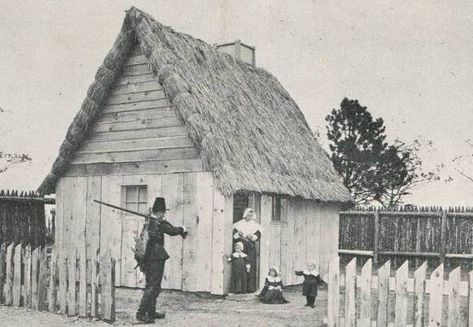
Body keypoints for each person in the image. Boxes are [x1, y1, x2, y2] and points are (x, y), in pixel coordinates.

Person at [136, 197, 188, 324]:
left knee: (155, 286)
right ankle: (141, 313)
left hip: (153, 257)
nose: (164, 214)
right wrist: (182, 229)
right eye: (163, 212)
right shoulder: (155, 223)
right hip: (155, 257)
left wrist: (163, 222)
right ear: (159, 212)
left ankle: (151, 311)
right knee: (152, 286)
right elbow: (171, 231)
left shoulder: (152, 222)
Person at [232, 208, 263, 293]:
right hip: (241, 247)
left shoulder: (255, 225)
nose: (249, 217)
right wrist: (238, 234)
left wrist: (253, 236)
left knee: (250, 266)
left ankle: (250, 288)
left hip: (250, 247)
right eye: (248, 215)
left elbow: (258, 234)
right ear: (245, 215)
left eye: (251, 215)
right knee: (240, 266)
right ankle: (240, 288)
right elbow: (234, 235)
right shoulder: (239, 224)